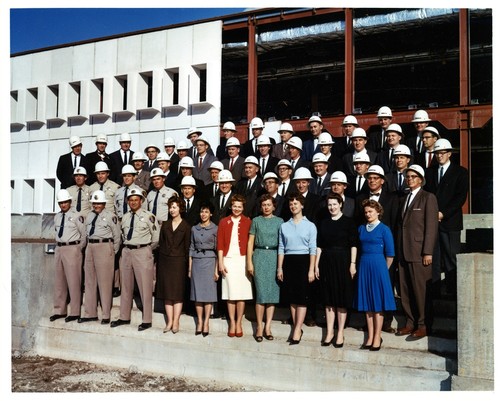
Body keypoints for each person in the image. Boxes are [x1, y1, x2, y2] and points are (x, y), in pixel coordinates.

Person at [396, 164, 439, 339]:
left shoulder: (428, 198)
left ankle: (423, 324)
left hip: (419, 252)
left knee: (421, 290)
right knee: (405, 290)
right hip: (404, 251)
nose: (410, 179)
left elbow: (431, 227)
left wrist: (427, 251)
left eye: (413, 176)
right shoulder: (404, 198)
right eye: (407, 176)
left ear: (421, 179)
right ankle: (410, 322)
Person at [111, 188, 160, 331]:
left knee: (145, 286)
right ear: (127, 201)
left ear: (141, 201)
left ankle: (147, 320)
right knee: (125, 286)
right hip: (127, 251)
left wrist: (146, 250)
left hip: (142, 251)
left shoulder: (149, 216)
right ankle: (124, 316)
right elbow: (121, 235)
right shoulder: (125, 217)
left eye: (136, 200)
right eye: (131, 200)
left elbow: (156, 238)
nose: (133, 202)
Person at [425, 138, 469, 299]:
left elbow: (460, 198)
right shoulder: (430, 172)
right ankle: (435, 292)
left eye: (442, 153)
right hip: (433, 223)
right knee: (434, 259)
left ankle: (453, 292)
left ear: (449, 154)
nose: (439, 156)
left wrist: (443, 213)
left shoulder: (460, 172)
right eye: (437, 153)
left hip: (450, 223)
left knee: (451, 258)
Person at [315, 193, 358, 347]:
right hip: (326, 261)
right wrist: (316, 265)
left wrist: (352, 264)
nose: (332, 207)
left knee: (341, 299)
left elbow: (354, 244)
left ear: (341, 204)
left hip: (343, 260)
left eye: (334, 204)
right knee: (328, 299)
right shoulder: (324, 222)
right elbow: (319, 245)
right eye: (329, 204)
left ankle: (340, 332)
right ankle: (329, 332)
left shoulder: (348, 222)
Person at [353, 200, 396, 351]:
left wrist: (383, 270)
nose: (368, 214)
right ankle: (370, 336)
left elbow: (390, 254)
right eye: (366, 212)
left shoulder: (384, 229)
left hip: (379, 266)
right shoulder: (361, 228)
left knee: (377, 304)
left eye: (370, 211)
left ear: (378, 212)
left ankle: (378, 336)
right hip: (364, 264)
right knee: (367, 303)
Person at [277, 193, 317, 345]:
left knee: (302, 298)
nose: (293, 206)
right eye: (291, 204)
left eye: (296, 203)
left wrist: (311, 269)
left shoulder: (310, 225)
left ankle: (297, 329)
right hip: (289, 262)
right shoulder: (284, 226)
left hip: (304, 261)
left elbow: (313, 249)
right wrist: (280, 268)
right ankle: (296, 328)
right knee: (292, 298)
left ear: (302, 205)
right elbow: (281, 247)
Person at [79, 190, 121, 324]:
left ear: (104, 203)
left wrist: (111, 252)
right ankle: (90, 313)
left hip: (104, 247)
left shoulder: (111, 216)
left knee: (105, 283)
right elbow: (85, 233)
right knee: (90, 282)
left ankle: (106, 314)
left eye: (98, 203)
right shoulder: (89, 216)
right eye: (94, 203)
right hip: (90, 247)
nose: (96, 205)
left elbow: (117, 238)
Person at [247, 194, 283, 342]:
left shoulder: (280, 222)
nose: (266, 207)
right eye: (264, 205)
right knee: (261, 294)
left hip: (274, 256)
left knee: (272, 294)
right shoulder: (256, 221)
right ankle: (259, 327)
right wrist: (249, 262)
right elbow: (250, 243)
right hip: (260, 256)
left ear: (274, 206)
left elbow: (282, 243)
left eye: (269, 205)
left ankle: (268, 326)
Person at [217, 194, 253, 337]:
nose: (237, 209)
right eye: (235, 206)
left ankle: (239, 322)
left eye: (240, 206)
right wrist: (220, 262)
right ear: (231, 206)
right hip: (228, 259)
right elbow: (220, 244)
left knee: (241, 294)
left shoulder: (248, 222)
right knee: (230, 293)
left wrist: (249, 263)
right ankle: (232, 322)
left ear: (243, 207)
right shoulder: (223, 222)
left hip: (243, 260)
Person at [156, 195, 191, 334]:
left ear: (180, 209)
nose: (172, 210)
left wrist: (188, 266)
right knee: (167, 292)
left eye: (174, 207)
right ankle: (169, 321)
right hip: (165, 261)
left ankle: (176, 321)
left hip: (179, 262)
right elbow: (161, 243)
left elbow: (187, 247)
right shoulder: (165, 225)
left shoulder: (186, 226)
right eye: (170, 207)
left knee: (177, 293)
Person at [49, 189, 86, 322]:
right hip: (59, 248)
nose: (63, 205)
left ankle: (75, 311)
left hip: (72, 248)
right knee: (59, 282)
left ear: (70, 202)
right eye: (60, 203)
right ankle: (59, 310)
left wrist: (77, 249)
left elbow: (84, 235)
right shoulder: (57, 216)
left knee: (74, 281)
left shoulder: (77, 216)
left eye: (65, 202)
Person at [188, 202, 219, 336]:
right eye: (202, 212)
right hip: (196, 262)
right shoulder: (194, 228)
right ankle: (199, 321)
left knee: (208, 294)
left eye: (206, 212)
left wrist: (216, 269)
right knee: (197, 294)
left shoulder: (215, 229)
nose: (203, 214)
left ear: (211, 214)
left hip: (210, 261)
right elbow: (191, 247)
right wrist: (190, 268)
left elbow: (218, 250)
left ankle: (206, 322)